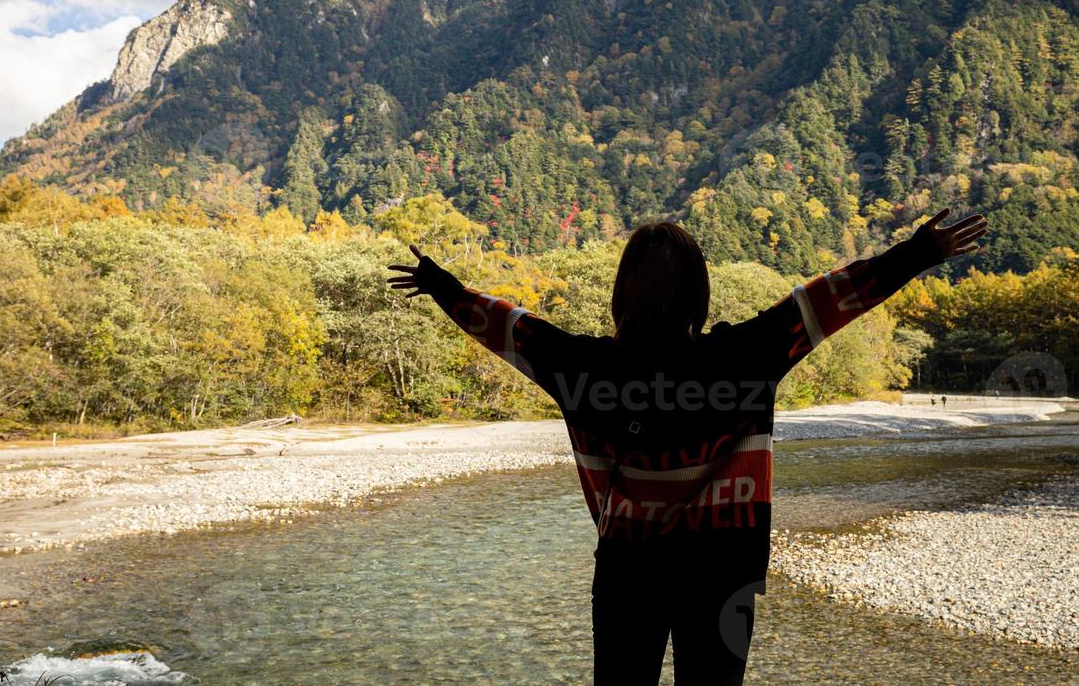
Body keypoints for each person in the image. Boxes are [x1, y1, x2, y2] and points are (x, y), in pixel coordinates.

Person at [389, 209, 987, 685]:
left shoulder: (582, 368)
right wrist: (920, 252)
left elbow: (507, 325)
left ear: (624, 293)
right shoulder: (745, 357)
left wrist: (442, 286)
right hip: (727, 572)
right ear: (698, 294)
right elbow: (830, 298)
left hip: (628, 572)